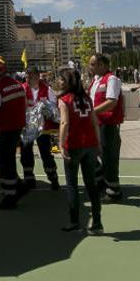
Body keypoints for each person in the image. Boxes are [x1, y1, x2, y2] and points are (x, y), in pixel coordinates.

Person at [56, 67, 102, 234]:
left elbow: (64, 123)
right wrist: (98, 143)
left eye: (61, 79)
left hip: (74, 145)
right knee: (91, 184)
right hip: (90, 144)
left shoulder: (64, 100)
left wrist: (61, 144)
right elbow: (94, 121)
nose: (59, 81)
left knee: (72, 185)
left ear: (67, 82)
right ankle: (97, 222)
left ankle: (74, 222)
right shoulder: (87, 98)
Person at [0, 57, 29, 209]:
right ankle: (17, 186)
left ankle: (10, 194)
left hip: (8, 127)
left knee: (2, 158)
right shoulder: (16, 84)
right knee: (7, 157)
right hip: (17, 126)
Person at [88, 53, 125, 202]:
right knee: (92, 155)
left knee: (109, 158)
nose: (90, 67)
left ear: (102, 65)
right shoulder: (96, 81)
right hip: (96, 124)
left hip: (107, 125)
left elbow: (111, 102)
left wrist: (92, 112)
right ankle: (101, 182)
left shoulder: (112, 79)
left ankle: (113, 192)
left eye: (93, 64)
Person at [21, 66, 61, 190]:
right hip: (27, 127)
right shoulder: (22, 89)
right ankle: (29, 179)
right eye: (27, 76)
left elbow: (54, 107)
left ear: (38, 76)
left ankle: (53, 178)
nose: (28, 78)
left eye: (31, 76)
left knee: (46, 153)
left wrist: (45, 110)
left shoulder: (48, 90)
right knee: (26, 153)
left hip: (44, 128)